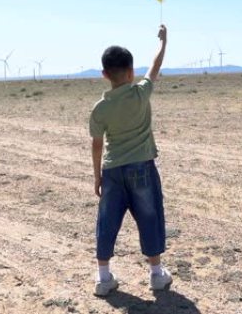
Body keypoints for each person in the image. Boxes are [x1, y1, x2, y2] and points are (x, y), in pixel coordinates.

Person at [89, 24, 171, 296]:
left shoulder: (100, 109)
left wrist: (97, 175)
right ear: (131, 71)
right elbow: (155, 65)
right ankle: (157, 274)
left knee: (107, 221)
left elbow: (97, 144)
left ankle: (103, 278)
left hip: (112, 170)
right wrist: (163, 41)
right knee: (150, 217)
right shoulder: (141, 92)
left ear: (104, 74)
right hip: (142, 168)